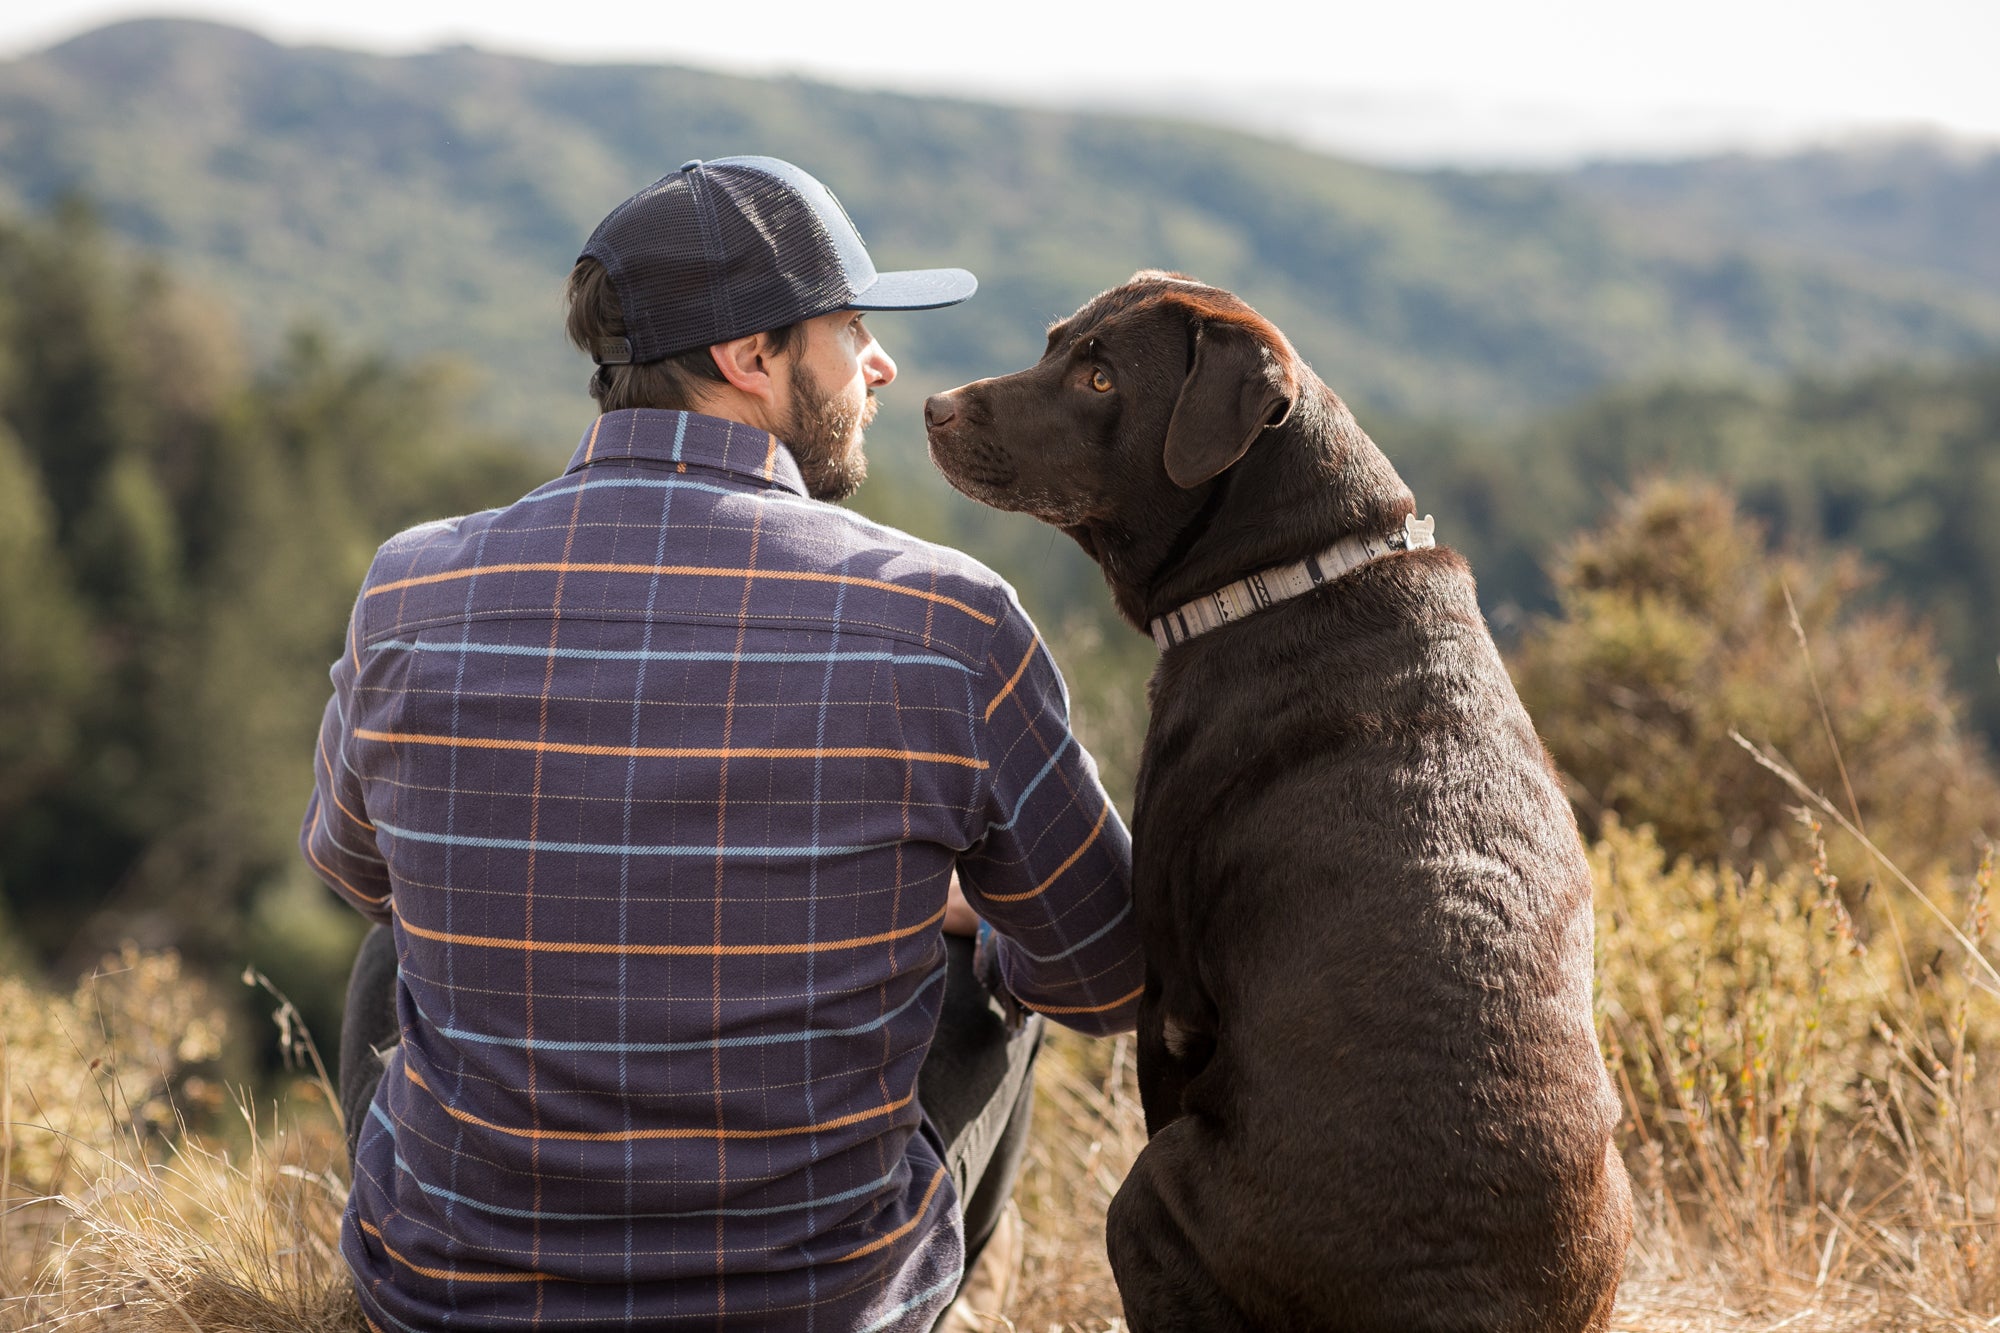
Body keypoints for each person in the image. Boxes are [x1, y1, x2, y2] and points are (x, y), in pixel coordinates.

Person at [301, 156, 1142, 1333]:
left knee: (397, 949)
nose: (881, 365)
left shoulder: (411, 586)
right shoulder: (947, 619)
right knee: (998, 960)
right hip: (803, 1311)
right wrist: (961, 916)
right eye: (851, 328)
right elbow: (1109, 970)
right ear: (752, 357)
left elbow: (351, 871)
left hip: (446, 1304)